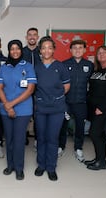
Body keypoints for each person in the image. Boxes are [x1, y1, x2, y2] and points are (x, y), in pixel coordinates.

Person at [0, 40, 37, 180]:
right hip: (5, 109)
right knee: (9, 138)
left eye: (17, 48)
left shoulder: (28, 66)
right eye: (12, 49)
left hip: (23, 109)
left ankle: (19, 168)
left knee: (19, 139)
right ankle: (10, 165)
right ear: (9, 51)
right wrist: (7, 105)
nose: (15, 51)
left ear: (21, 50)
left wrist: (11, 104)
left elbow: (30, 89)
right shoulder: (4, 67)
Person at [34, 36, 70, 181]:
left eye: (49, 47)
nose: (46, 50)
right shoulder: (36, 67)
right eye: (43, 48)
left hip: (57, 108)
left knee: (52, 138)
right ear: (40, 50)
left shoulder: (60, 66)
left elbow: (67, 86)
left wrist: (55, 97)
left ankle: (51, 167)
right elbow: (32, 87)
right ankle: (41, 165)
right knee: (41, 137)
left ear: (54, 49)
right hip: (41, 108)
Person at [58, 40, 94, 161]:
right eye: (74, 48)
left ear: (84, 50)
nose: (77, 50)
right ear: (70, 50)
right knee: (63, 125)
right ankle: (60, 146)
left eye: (80, 48)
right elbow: (60, 84)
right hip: (66, 102)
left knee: (80, 127)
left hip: (81, 103)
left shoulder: (89, 65)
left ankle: (78, 148)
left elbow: (93, 85)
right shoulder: (64, 64)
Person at [22, 27, 42, 147]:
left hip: (40, 89)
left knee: (38, 115)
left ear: (37, 37)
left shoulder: (42, 51)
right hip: (24, 89)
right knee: (24, 114)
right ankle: (23, 136)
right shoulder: (21, 52)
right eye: (30, 35)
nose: (32, 37)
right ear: (26, 37)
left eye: (34, 35)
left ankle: (37, 139)